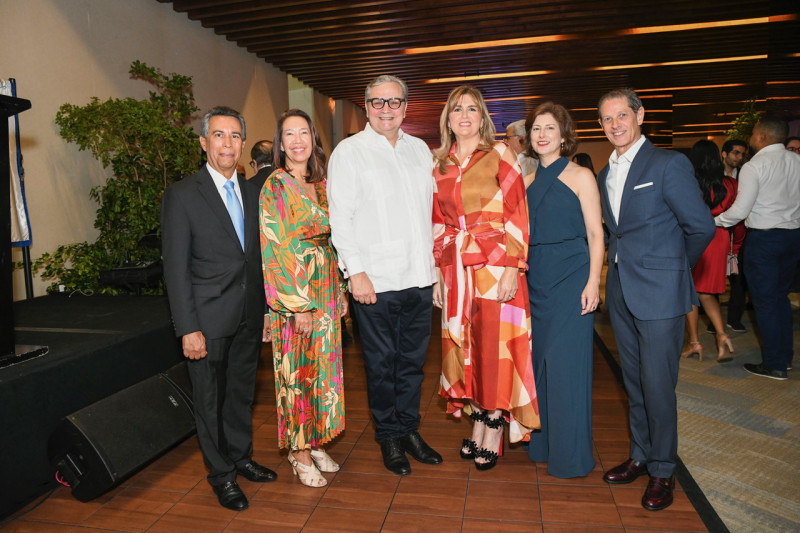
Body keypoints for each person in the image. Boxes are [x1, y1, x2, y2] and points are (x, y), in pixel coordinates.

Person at [596, 89, 714, 511]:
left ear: (640, 115)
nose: (615, 125)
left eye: (623, 115)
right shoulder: (604, 172)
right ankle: (641, 454)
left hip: (661, 293)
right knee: (635, 382)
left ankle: (663, 469)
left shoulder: (667, 164)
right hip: (623, 293)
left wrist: (674, 269)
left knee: (659, 385)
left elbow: (701, 226)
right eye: (607, 119)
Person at [161, 106, 277, 512]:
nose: (227, 144)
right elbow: (175, 268)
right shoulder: (181, 195)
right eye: (218, 136)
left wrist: (265, 313)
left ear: (243, 144)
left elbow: (259, 259)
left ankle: (241, 456)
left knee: (241, 395)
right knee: (208, 401)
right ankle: (221, 475)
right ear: (203, 142)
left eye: (234, 136)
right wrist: (186, 327)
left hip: (248, 314)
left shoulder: (253, 192)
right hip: (206, 321)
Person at [327, 75, 442, 476]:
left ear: (406, 107)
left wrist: (437, 272)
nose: (386, 109)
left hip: (418, 276)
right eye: (378, 102)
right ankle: (389, 436)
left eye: (394, 102)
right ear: (366, 105)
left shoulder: (420, 151)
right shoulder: (349, 152)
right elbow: (340, 218)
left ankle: (409, 429)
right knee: (380, 364)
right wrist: (354, 272)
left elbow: (432, 214)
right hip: (374, 281)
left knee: (412, 363)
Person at [431, 85, 539, 471]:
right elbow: (439, 224)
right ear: (448, 118)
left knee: (496, 347)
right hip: (457, 270)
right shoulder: (440, 164)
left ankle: (494, 425)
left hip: (496, 266)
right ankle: (478, 421)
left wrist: (513, 267)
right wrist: (440, 278)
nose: (464, 115)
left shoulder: (500, 153)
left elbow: (517, 214)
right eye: (456, 109)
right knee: (466, 346)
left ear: (482, 117)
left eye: (472, 109)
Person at [260, 109, 347, 487]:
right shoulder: (276, 184)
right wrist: (297, 305)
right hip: (295, 294)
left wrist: (340, 290)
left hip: (326, 287)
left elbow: (334, 239)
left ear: (314, 139)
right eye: (289, 135)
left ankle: (313, 442)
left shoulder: (323, 183)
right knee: (297, 373)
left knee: (322, 371)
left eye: (303, 133)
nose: (297, 140)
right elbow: (276, 247)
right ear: (281, 144)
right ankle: (296, 452)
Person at [523, 102, 603, 478]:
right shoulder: (526, 180)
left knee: (566, 367)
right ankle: (545, 445)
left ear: (563, 134)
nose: (542, 135)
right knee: (540, 366)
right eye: (536, 128)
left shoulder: (581, 175)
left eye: (549, 128)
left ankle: (571, 456)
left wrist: (593, 283)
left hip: (572, 277)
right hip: (535, 279)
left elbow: (596, 234)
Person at [715, 116, 800, 380]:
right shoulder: (797, 161)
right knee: (780, 298)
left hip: (764, 241)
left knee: (765, 301)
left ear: (762, 137)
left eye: (753, 134)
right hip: (793, 238)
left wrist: (713, 221)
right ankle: (784, 358)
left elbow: (740, 210)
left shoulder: (755, 165)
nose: (751, 139)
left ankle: (774, 364)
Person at [681, 140, 741, 362]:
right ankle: (722, 336)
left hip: (695, 237)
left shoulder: (691, 183)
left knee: (689, 291)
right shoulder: (731, 184)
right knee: (706, 293)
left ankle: (695, 342)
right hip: (720, 237)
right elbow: (738, 216)